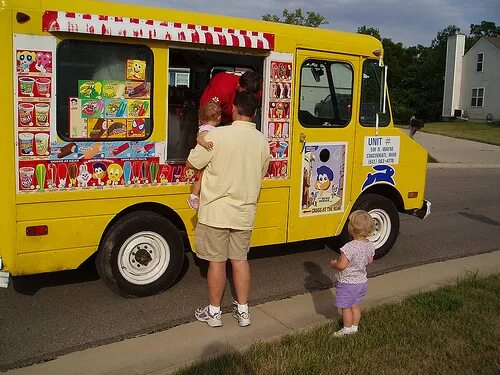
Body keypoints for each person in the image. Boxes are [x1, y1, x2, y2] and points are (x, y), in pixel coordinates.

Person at [186, 91, 270, 328]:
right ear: (254, 113)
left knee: (217, 262)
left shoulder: (218, 136)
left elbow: (193, 162)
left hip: (216, 211)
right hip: (244, 212)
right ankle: (243, 311)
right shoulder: (262, 141)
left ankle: (214, 314)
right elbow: (260, 173)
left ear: (233, 109)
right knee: (240, 260)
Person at [330, 210, 375, 336]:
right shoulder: (370, 245)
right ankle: (355, 327)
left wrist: (334, 264)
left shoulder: (349, 247)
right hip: (362, 282)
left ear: (352, 228)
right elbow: (370, 260)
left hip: (348, 284)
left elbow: (342, 266)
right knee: (355, 306)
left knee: (346, 307)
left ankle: (347, 329)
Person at [187, 102, 221, 210]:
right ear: (219, 118)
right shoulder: (208, 129)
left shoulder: (208, 127)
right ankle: (194, 196)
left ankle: (196, 196)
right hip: (202, 154)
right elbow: (200, 138)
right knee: (201, 177)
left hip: (204, 155)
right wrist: (205, 144)